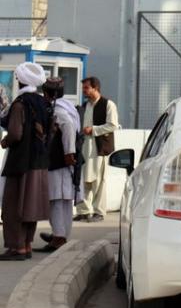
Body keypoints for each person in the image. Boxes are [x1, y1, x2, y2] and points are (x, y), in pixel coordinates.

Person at [0, 62, 52, 260]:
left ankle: (17, 248)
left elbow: (15, 133)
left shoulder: (20, 104)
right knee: (30, 207)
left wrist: (5, 141)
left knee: (14, 206)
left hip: (20, 163)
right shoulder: (42, 103)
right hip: (39, 163)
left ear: (21, 81)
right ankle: (27, 246)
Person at [38, 77, 81, 252]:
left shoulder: (59, 109)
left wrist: (68, 153)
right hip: (65, 160)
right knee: (64, 200)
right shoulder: (69, 106)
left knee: (56, 199)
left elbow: (69, 128)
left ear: (48, 93)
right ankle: (62, 234)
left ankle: (58, 238)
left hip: (60, 161)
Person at [74, 77, 118, 223]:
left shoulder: (108, 104)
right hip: (85, 146)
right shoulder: (85, 106)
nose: (84, 91)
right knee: (83, 179)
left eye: (86, 88)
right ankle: (84, 211)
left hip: (99, 147)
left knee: (99, 180)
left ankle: (99, 212)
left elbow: (112, 125)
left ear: (95, 88)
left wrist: (93, 130)